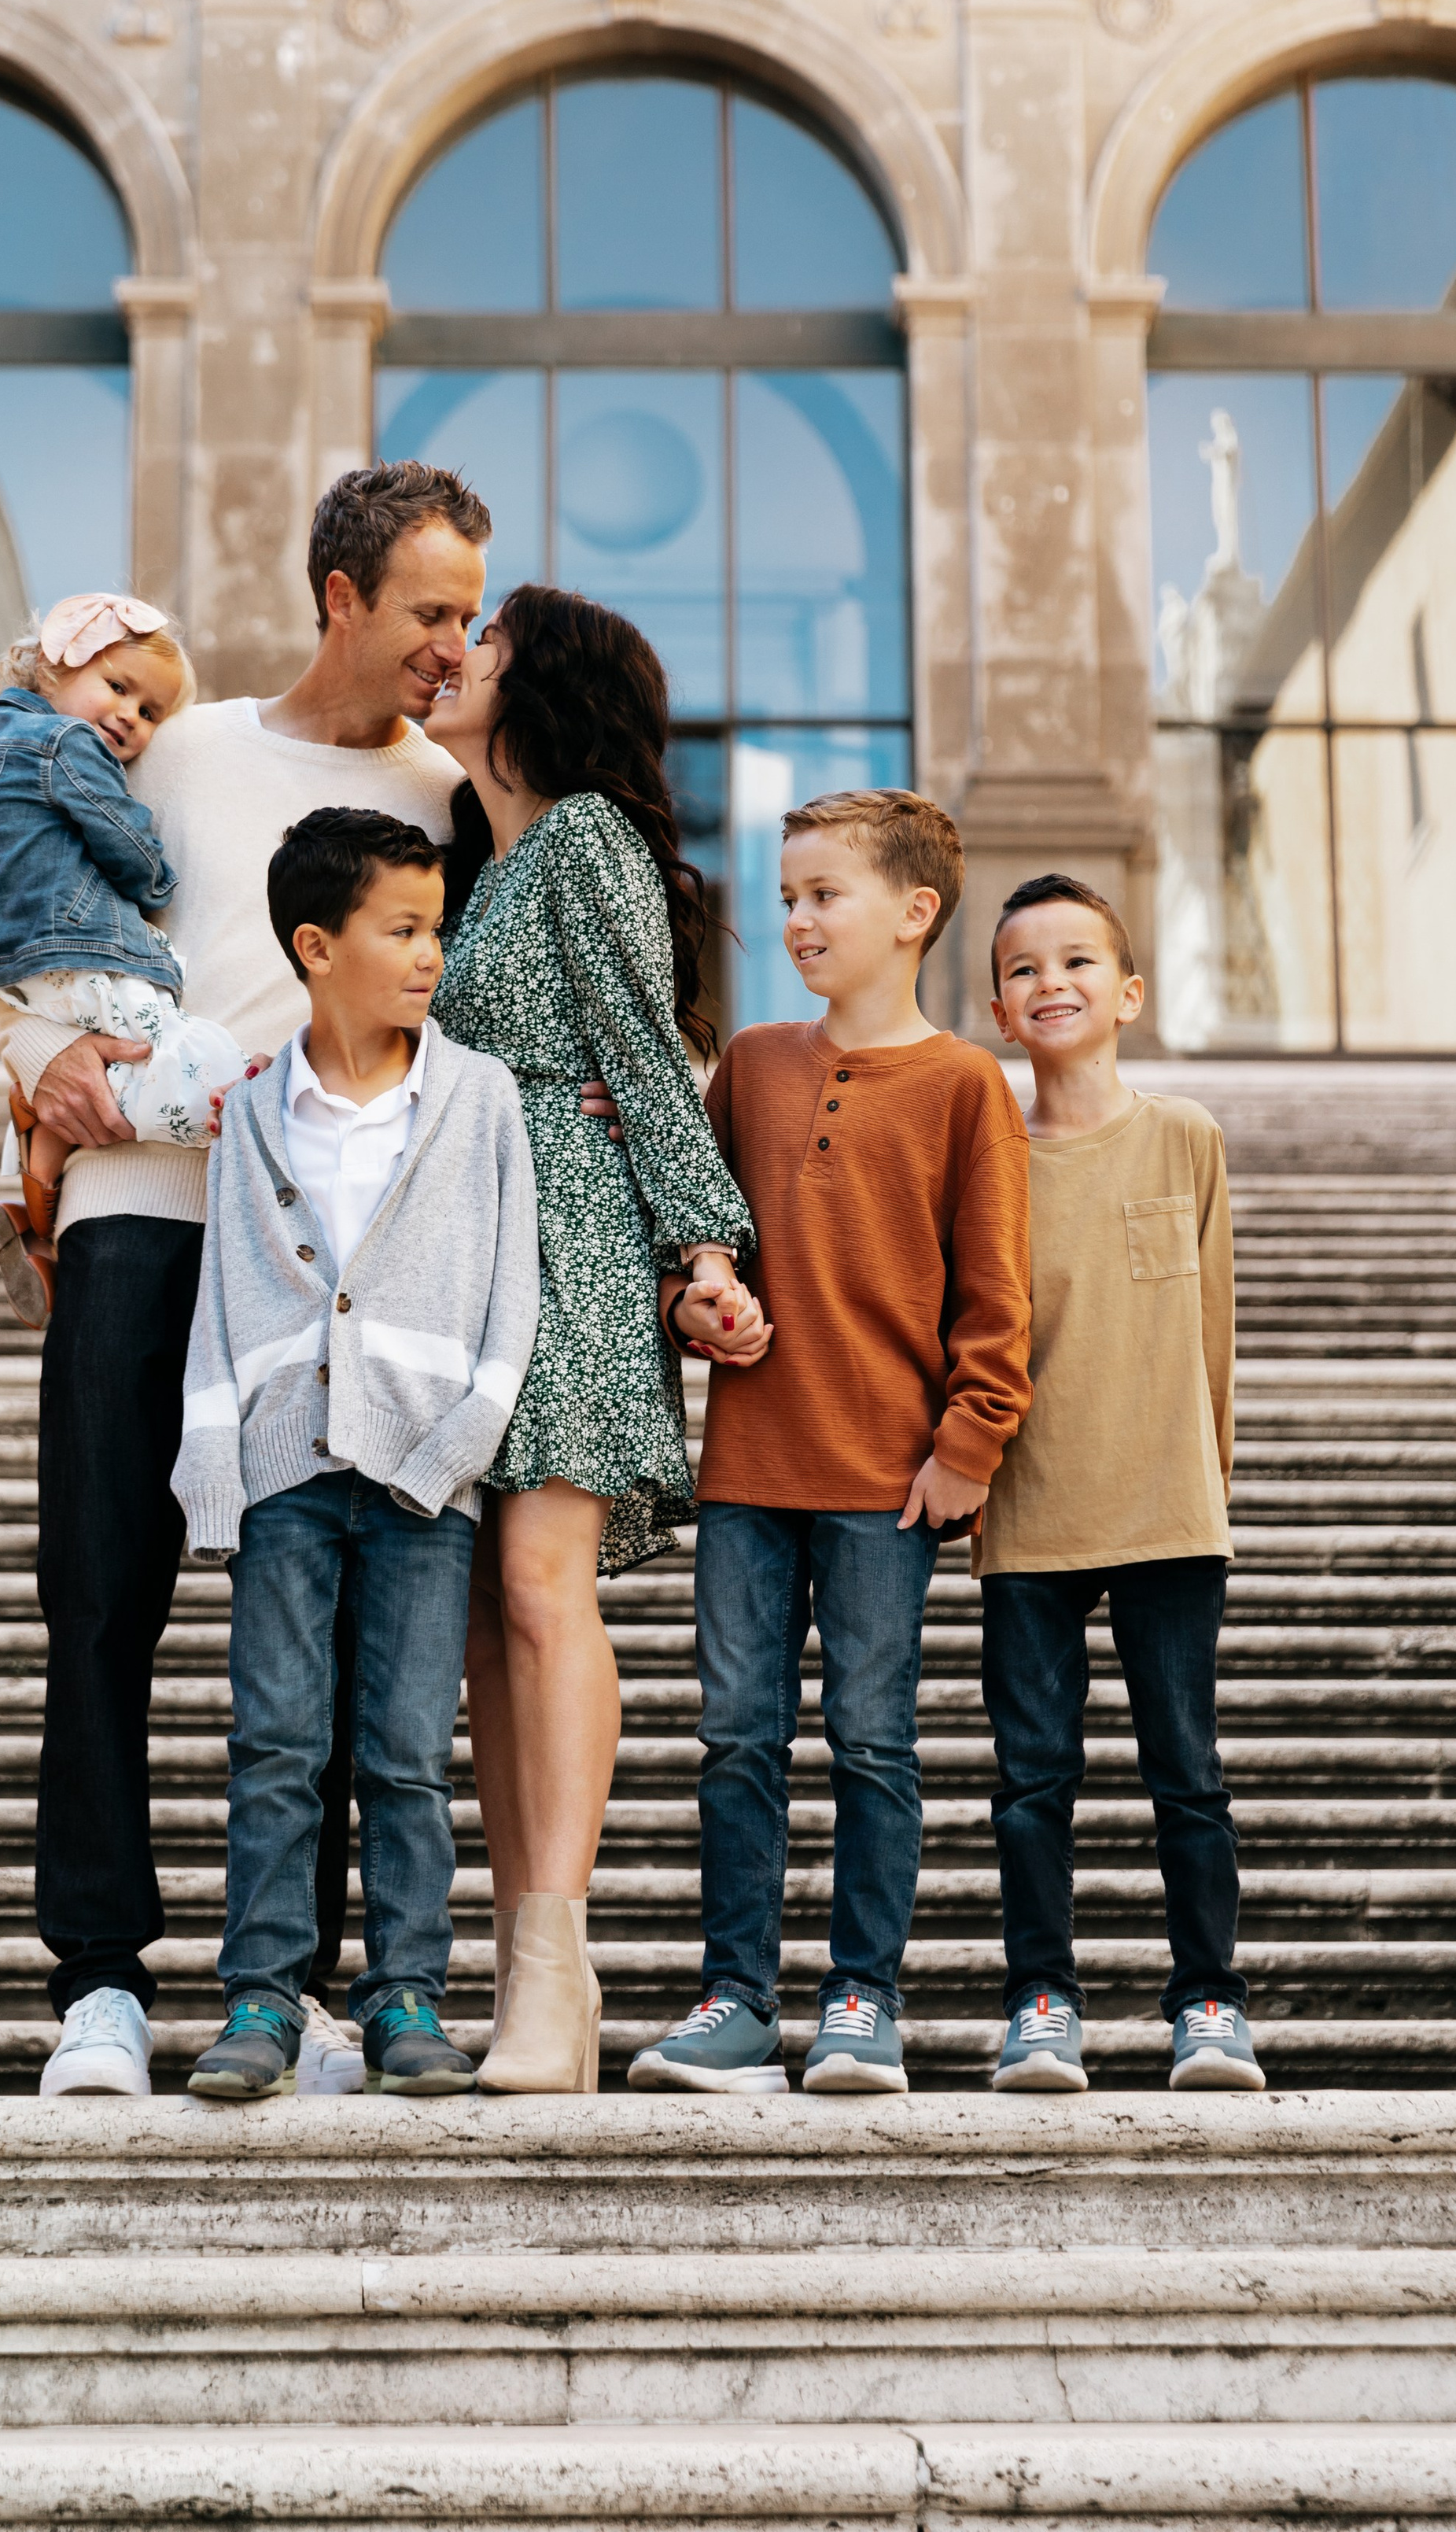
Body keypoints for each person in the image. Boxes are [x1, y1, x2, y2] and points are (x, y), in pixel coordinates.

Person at [0, 462, 488, 2102]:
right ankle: (101, 1984)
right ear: (338, 596)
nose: (449, 645)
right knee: (103, 1591)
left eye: (467, 616)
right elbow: (33, 924)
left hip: (334, 1258)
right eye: (428, 611)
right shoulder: (178, 752)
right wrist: (44, 1061)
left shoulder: (450, 797)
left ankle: (309, 1988)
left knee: (331, 1630)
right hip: (146, 1213)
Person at [630, 791, 1032, 2099]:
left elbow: (996, 1291)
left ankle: (863, 1997)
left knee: (873, 1742)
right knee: (737, 1740)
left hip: (885, 1484)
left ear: (914, 914)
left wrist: (970, 1442)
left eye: (825, 896)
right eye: (789, 895)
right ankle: (736, 2001)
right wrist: (696, 1302)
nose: (795, 918)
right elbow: (700, 1249)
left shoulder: (966, 1084)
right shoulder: (750, 1063)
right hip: (748, 1473)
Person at [426, 585, 761, 2095]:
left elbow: (645, 1037)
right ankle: (520, 1954)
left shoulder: (586, 841)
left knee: (544, 1591)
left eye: (479, 645)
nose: (452, 663)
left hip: (571, 1238)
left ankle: (555, 1971)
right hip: (464, 1249)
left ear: (538, 682)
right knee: (494, 1619)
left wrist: (706, 1249)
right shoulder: (475, 872)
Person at [170, 809, 540, 2101]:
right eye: (404, 929)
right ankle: (264, 2000)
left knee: (398, 1751)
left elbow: (512, 1295)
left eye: (437, 927)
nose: (432, 953)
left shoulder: (478, 1096)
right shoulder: (257, 1111)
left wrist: (462, 1445)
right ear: (318, 948)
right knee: (276, 1741)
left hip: (422, 1473)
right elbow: (223, 1299)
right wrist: (214, 1469)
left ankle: (406, 1999)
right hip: (284, 1475)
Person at [981, 873, 1260, 2095]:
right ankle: (1042, 2000)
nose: (1054, 984)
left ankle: (1210, 2003)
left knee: (1186, 1775)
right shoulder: (988, 1156)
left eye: (1079, 963)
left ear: (1130, 993)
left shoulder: (1185, 1135)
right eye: (1027, 969)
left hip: (1166, 1512)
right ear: (997, 1008)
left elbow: (1216, 1336)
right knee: (1033, 1781)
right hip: (1032, 1513)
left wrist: (1212, 1487)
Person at [0, 594, 245, 1330]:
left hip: (17, 960)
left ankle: (33, 1212)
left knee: (89, 1078)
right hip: (76, 947)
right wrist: (158, 883)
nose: (130, 719)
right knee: (170, 1053)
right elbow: (122, 835)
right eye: (119, 688)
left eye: (150, 713)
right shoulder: (65, 747)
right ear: (57, 660)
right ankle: (242, 1110)